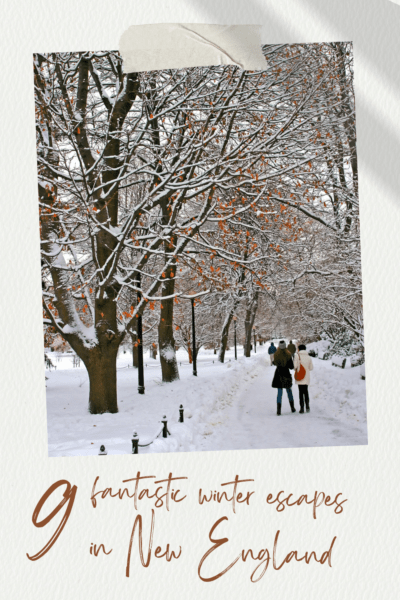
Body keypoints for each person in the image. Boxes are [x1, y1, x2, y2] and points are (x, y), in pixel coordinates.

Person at [272, 341, 296, 415]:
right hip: (286, 373)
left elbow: (274, 363)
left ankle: (278, 410)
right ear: (285, 346)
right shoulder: (288, 354)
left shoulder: (276, 354)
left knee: (279, 392)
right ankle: (292, 408)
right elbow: (291, 366)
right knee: (289, 391)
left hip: (278, 373)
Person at [293, 344, 314, 413]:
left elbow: (295, 366)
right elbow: (311, 368)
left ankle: (302, 408)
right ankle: (307, 406)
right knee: (306, 391)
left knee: (301, 392)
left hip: (300, 376)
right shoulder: (308, 357)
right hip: (306, 376)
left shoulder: (297, 356)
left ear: (299, 349)